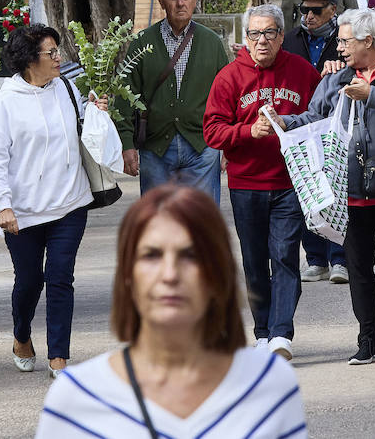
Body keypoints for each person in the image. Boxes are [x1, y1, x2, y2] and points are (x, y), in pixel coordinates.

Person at [35, 185, 307, 438]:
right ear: (128, 275)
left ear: (218, 273)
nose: (170, 274)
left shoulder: (270, 386)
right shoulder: (76, 398)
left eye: (190, 256)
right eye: (151, 255)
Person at [279, 8, 375, 365]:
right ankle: (368, 339)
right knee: (358, 268)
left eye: (345, 41)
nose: (339, 47)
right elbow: (315, 116)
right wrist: (283, 120)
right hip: (349, 189)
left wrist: (372, 95)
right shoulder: (336, 78)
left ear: (368, 42)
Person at [0, 24, 105, 378]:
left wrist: (98, 109)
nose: (58, 58)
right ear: (28, 59)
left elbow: (91, 122)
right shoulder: (7, 99)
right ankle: (21, 334)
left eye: (57, 51)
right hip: (23, 211)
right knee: (28, 282)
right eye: (50, 53)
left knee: (60, 277)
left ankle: (59, 357)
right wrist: (2, 204)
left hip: (70, 202)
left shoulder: (67, 86)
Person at [203, 4, 322, 360]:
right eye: (255, 34)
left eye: (269, 33)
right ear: (246, 38)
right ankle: (262, 331)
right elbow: (211, 130)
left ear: (281, 36)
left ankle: (282, 335)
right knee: (255, 261)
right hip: (246, 184)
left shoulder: (302, 72)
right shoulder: (229, 77)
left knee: (284, 256)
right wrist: (247, 131)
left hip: (290, 181)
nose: (262, 41)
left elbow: (321, 114)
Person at [114, 0, 231, 203]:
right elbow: (125, 95)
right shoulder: (142, 42)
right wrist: (126, 144)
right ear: (161, 2)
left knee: (202, 222)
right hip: (155, 147)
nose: (180, 3)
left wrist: (227, 144)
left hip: (202, 147)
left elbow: (227, 96)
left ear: (195, 0)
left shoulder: (212, 43)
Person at [281, 0, 349, 285]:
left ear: (333, 10)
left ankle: (340, 259)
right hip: (302, 123)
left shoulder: (345, 40)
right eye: (303, 10)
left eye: (315, 10)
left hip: (335, 123)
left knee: (335, 189)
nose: (307, 16)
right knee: (306, 190)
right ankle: (316, 259)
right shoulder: (291, 39)